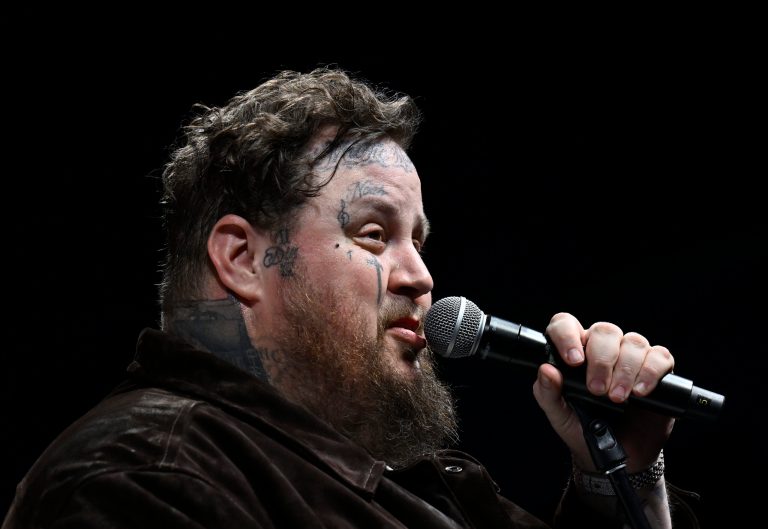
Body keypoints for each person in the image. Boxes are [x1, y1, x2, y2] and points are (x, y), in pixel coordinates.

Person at [3, 67, 697, 528]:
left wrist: (623, 478)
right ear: (242, 258)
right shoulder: (143, 479)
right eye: (374, 234)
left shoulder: (414, 481)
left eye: (418, 241)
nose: (421, 276)